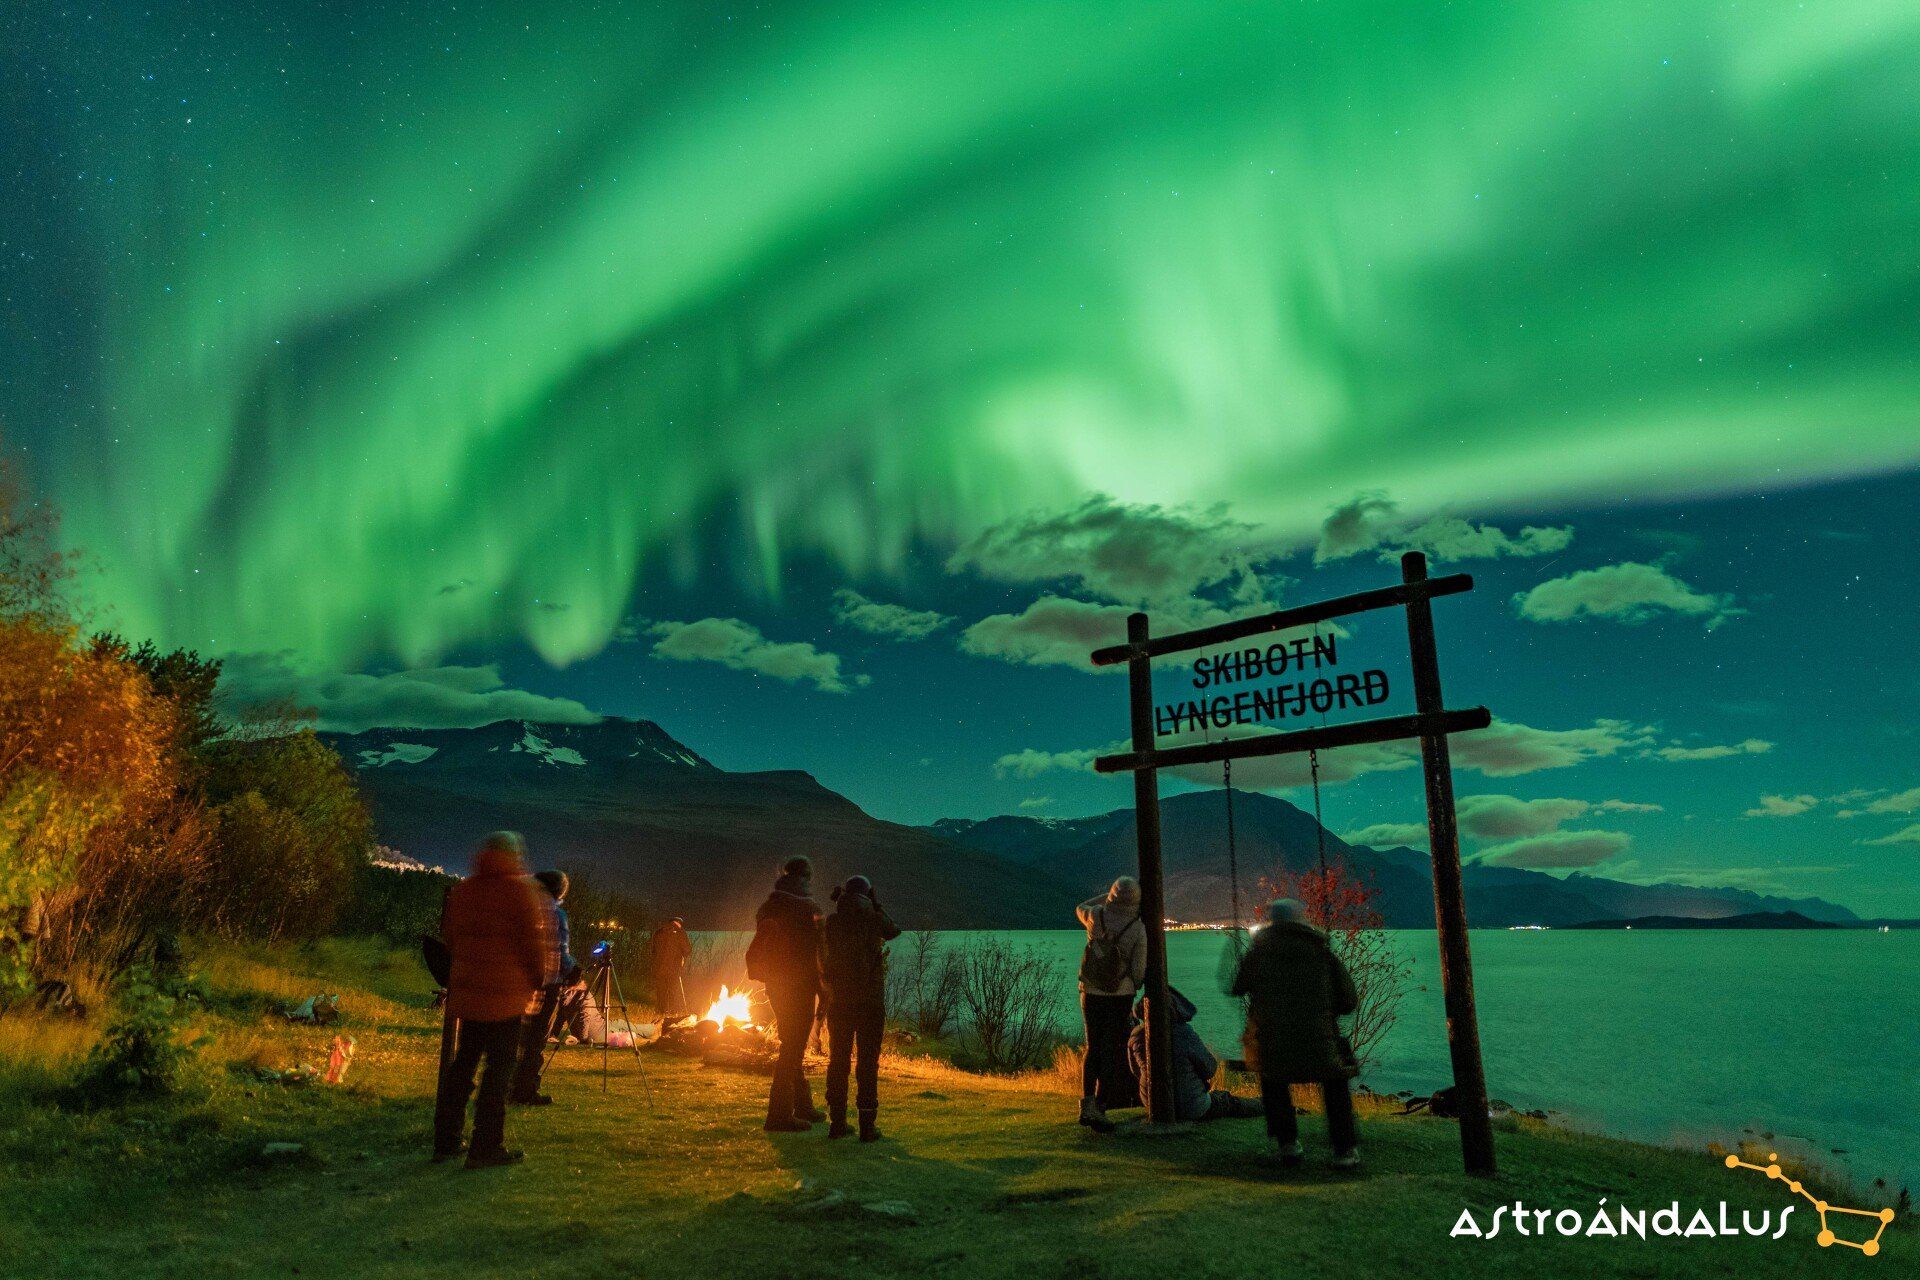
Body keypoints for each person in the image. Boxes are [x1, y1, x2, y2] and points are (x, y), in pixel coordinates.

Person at [432, 832, 552, 1169]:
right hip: (505, 997)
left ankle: (446, 1139)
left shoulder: (464, 890)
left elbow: (450, 935)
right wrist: (538, 978)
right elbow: (532, 941)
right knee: (498, 1071)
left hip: (468, 993)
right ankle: (485, 1145)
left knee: (463, 1066)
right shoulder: (522, 891)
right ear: (515, 855)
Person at [1230, 898, 1361, 1169]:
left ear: (1272, 922)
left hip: (1275, 1048)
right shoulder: (1323, 953)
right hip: (1319, 1048)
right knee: (1335, 1076)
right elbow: (1349, 1001)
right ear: (1301, 920)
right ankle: (1345, 1149)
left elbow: (1237, 986)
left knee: (1271, 1074)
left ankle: (1287, 1144)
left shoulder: (1258, 954)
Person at [819, 875, 901, 1141]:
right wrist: (876, 904)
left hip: (840, 999)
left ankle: (837, 1122)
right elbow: (893, 930)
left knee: (838, 1060)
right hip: (870, 1002)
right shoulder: (873, 919)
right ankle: (867, 1125)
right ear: (868, 894)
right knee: (868, 1063)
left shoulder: (833, 921)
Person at [749, 856, 825, 1132]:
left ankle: (802, 1106)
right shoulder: (806, 908)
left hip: (775, 984)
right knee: (793, 1047)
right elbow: (817, 951)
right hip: (800, 986)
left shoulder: (769, 905)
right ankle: (779, 1115)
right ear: (806, 877)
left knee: (791, 1043)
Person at [1126, 987, 1262, 1123]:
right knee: (1227, 1101)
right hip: (1190, 1106)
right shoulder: (1184, 1033)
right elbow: (1210, 1069)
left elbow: (1136, 1071)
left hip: (1153, 1105)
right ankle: (1265, 1104)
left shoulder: (1136, 1037)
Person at [1075, 876, 1147, 1133]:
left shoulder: (1095, 915)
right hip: (1120, 996)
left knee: (1093, 1047)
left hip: (1091, 992)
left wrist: (1105, 898)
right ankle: (1102, 1106)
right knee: (1113, 1050)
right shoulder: (1137, 928)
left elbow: (1079, 906)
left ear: (1112, 895)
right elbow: (1139, 974)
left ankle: (1087, 1104)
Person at [508, 869, 575, 1106]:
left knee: (517, 1036)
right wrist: (573, 971)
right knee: (536, 1039)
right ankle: (525, 1090)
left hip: (519, 981)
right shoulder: (555, 913)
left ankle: (509, 1086)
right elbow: (558, 949)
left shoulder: (522, 908)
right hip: (547, 982)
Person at [648, 916, 692, 1019]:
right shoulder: (680, 932)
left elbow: (652, 949)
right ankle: (673, 1014)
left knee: (661, 991)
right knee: (673, 991)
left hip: (659, 968)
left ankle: (661, 1012)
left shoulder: (659, 932)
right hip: (674, 969)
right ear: (679, 923)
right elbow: (687, 950)